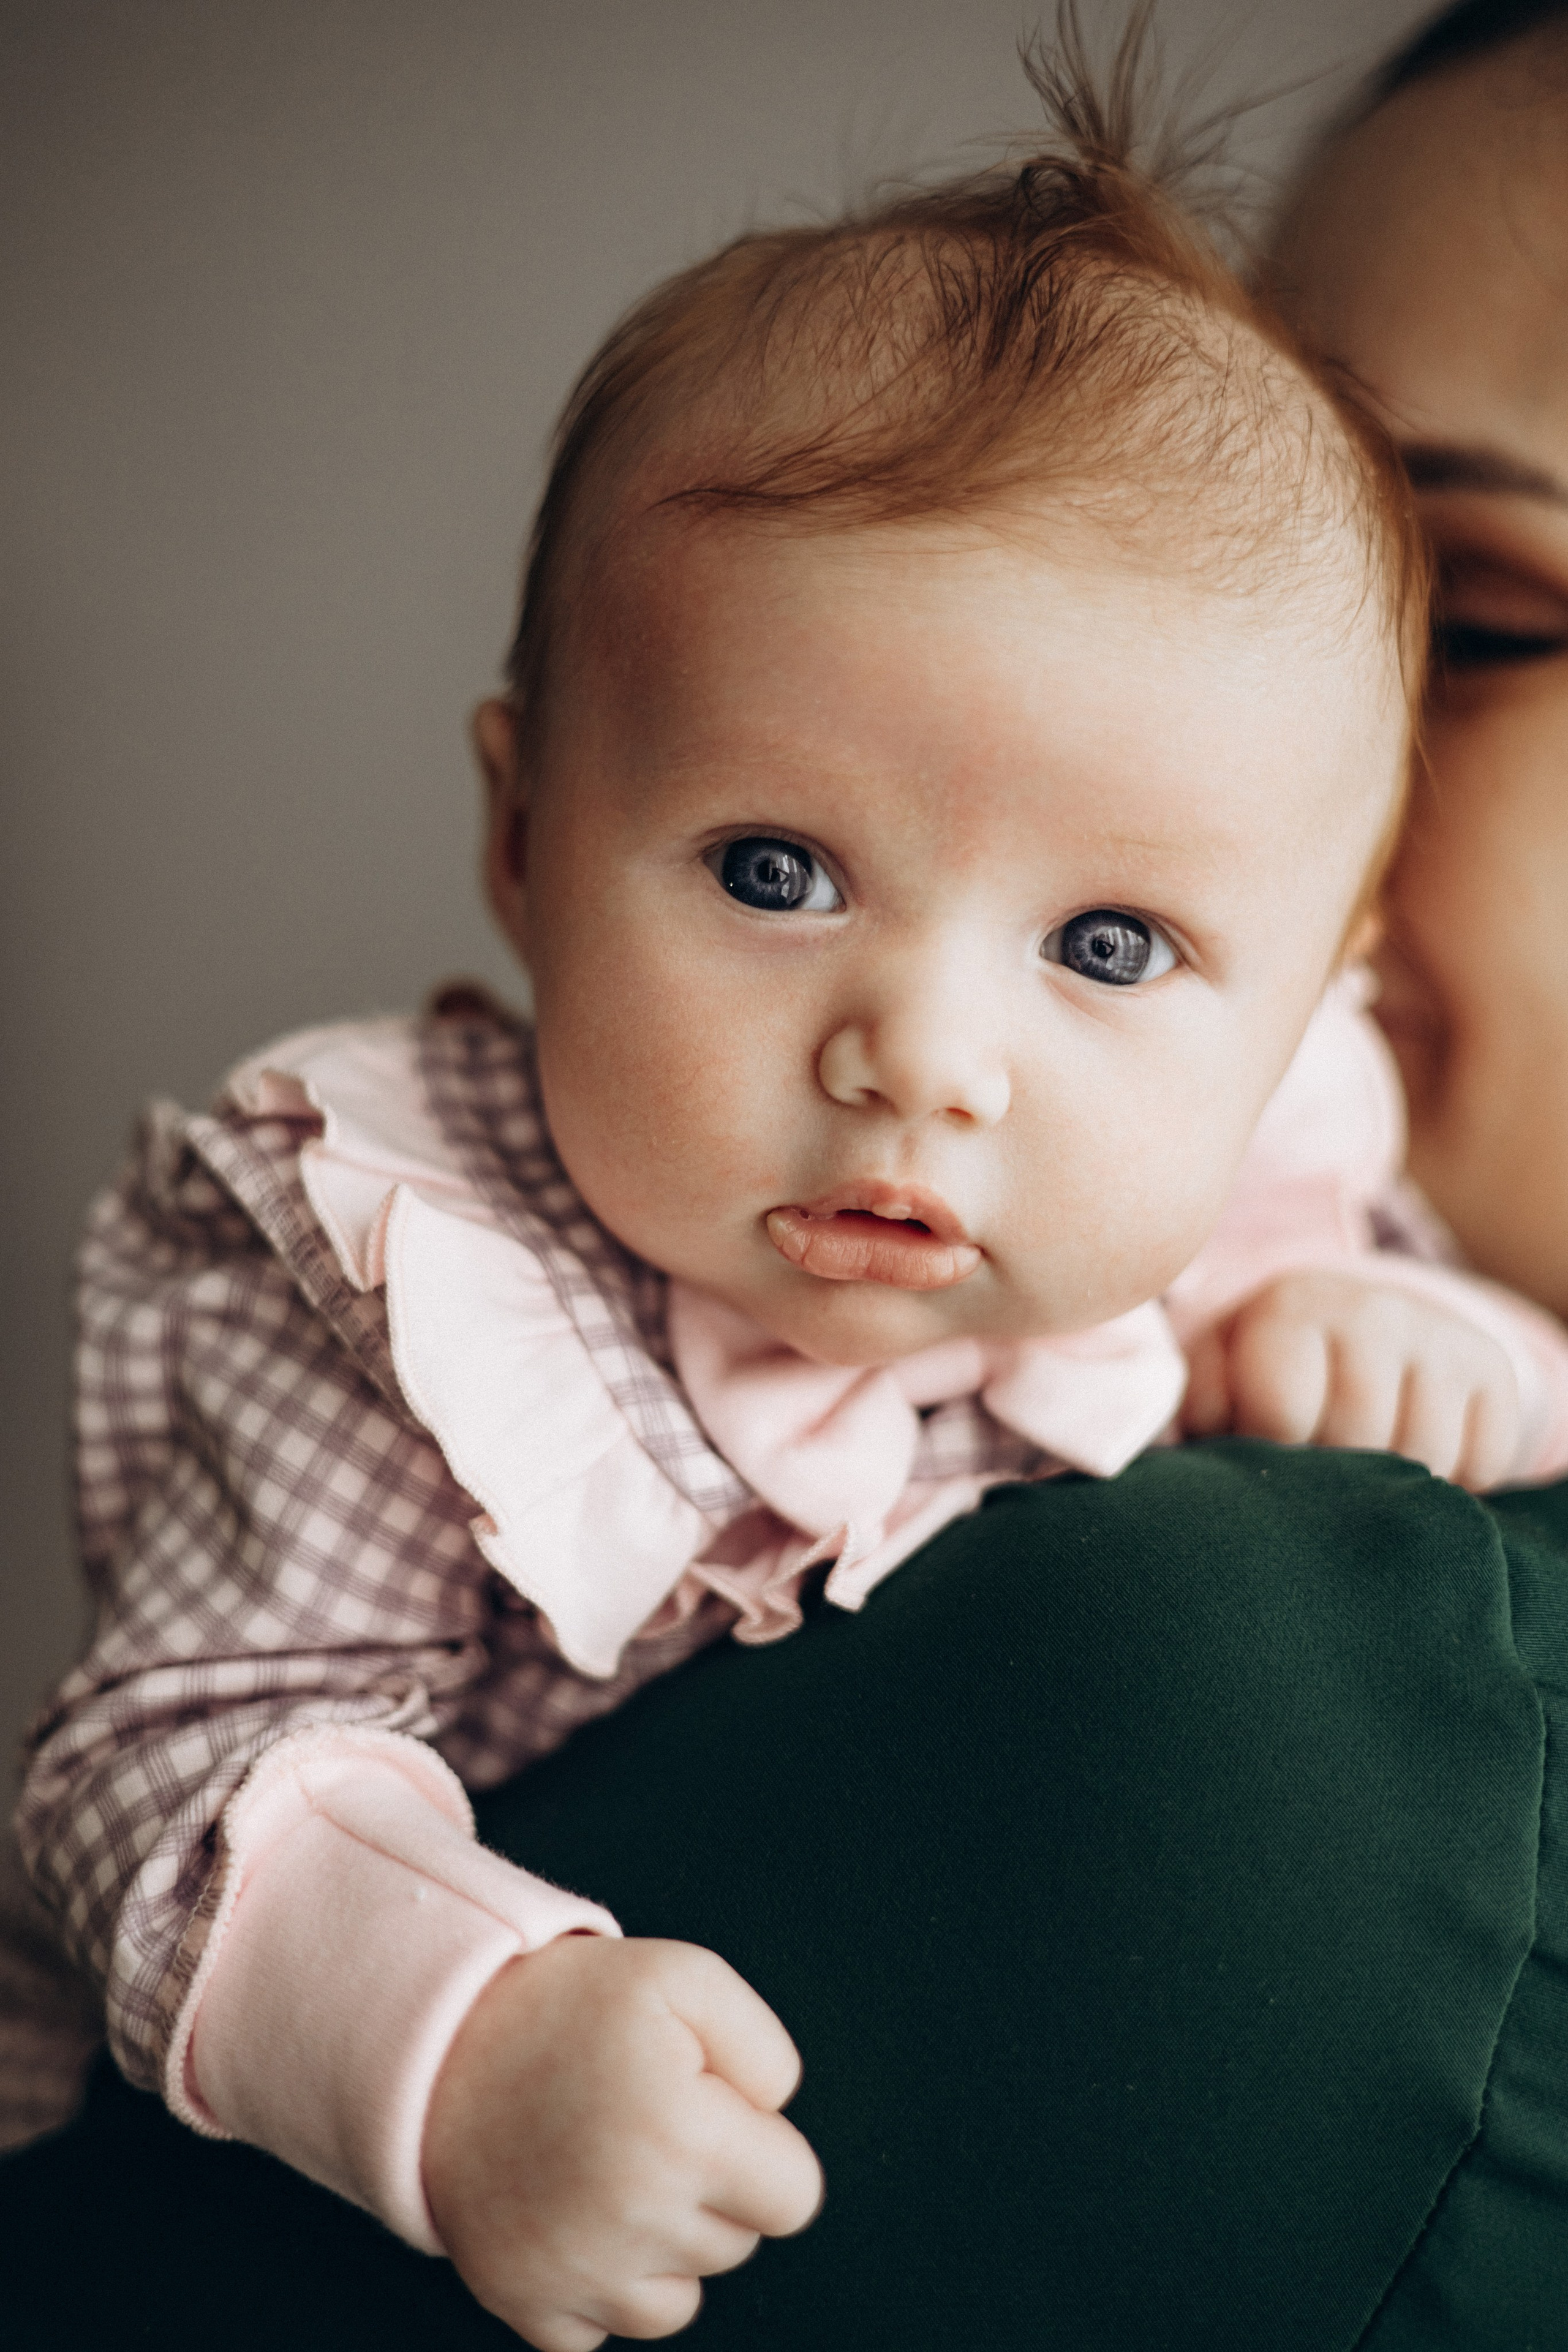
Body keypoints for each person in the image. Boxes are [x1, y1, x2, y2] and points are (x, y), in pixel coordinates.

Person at [17, 32, 1568, 2352]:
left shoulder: (1253, 1189)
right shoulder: (411, 1275)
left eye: (1112, 946)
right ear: (525, 832)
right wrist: (457, 2047)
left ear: (1304, 988)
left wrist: (1398, 1343)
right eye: (775, 867)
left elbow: (1320, 1289)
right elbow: (164, 1769)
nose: (928, 1058)